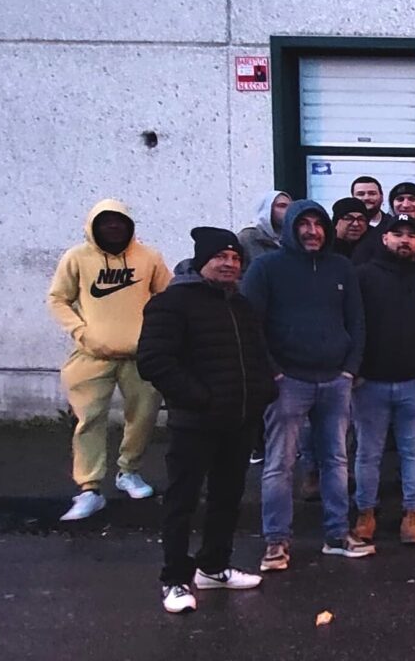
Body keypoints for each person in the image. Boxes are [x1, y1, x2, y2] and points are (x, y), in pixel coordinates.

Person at [137, 228, 278, 614]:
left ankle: (213, 567)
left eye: (235, 258)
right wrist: (199, 398)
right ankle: (175, 579)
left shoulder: (241, 304)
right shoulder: (172, 303)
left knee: (227, 497)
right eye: (221, 257)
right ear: (202, 261)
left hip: (239, 419)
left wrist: (264, 391)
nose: (229, 264)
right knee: (182, 500)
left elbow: (257, 354)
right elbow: (154, 360)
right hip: (194, 423)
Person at [241, 200, 370, 570]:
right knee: (279, 464)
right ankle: (276, 541)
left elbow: (356, 321)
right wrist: (273, 372)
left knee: (336, 460)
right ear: (290, 228)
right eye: (304, 224)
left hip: (335, 380)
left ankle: (337, 534)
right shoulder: (266, 268)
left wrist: (349, 369)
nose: (312, 231)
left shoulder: (341, 267)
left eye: (318, 224)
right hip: (288, 382)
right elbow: (251, 325)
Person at [46, 198, 172, 521]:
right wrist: (80, 332)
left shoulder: (149, 257)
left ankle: (129, 471)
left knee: (143, 416)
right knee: (88, 420)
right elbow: (58, 299)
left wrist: (157, 334)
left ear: (129, 225)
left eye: (119, 221)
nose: (113, 227)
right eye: (105, 222)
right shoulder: (77, 258)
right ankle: (89, 489)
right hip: (91, 355)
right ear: (93, 226)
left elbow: (168, 297)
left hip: (140, 356)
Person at [351, 215, 415, 546]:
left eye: (412, 235)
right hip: (369, 384)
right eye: (397, 234)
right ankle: (365, 512)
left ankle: (413, 513)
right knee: (368, 453)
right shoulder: (362, 278)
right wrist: (354, 371)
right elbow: (349, 323)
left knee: (413, 452)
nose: (404, 240)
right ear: (384, 238)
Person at [238, 190, 292, 262]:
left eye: (290, 207)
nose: (288, 210)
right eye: (282, 206)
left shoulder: (292, 239)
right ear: (268, 209)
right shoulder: (247, 237)